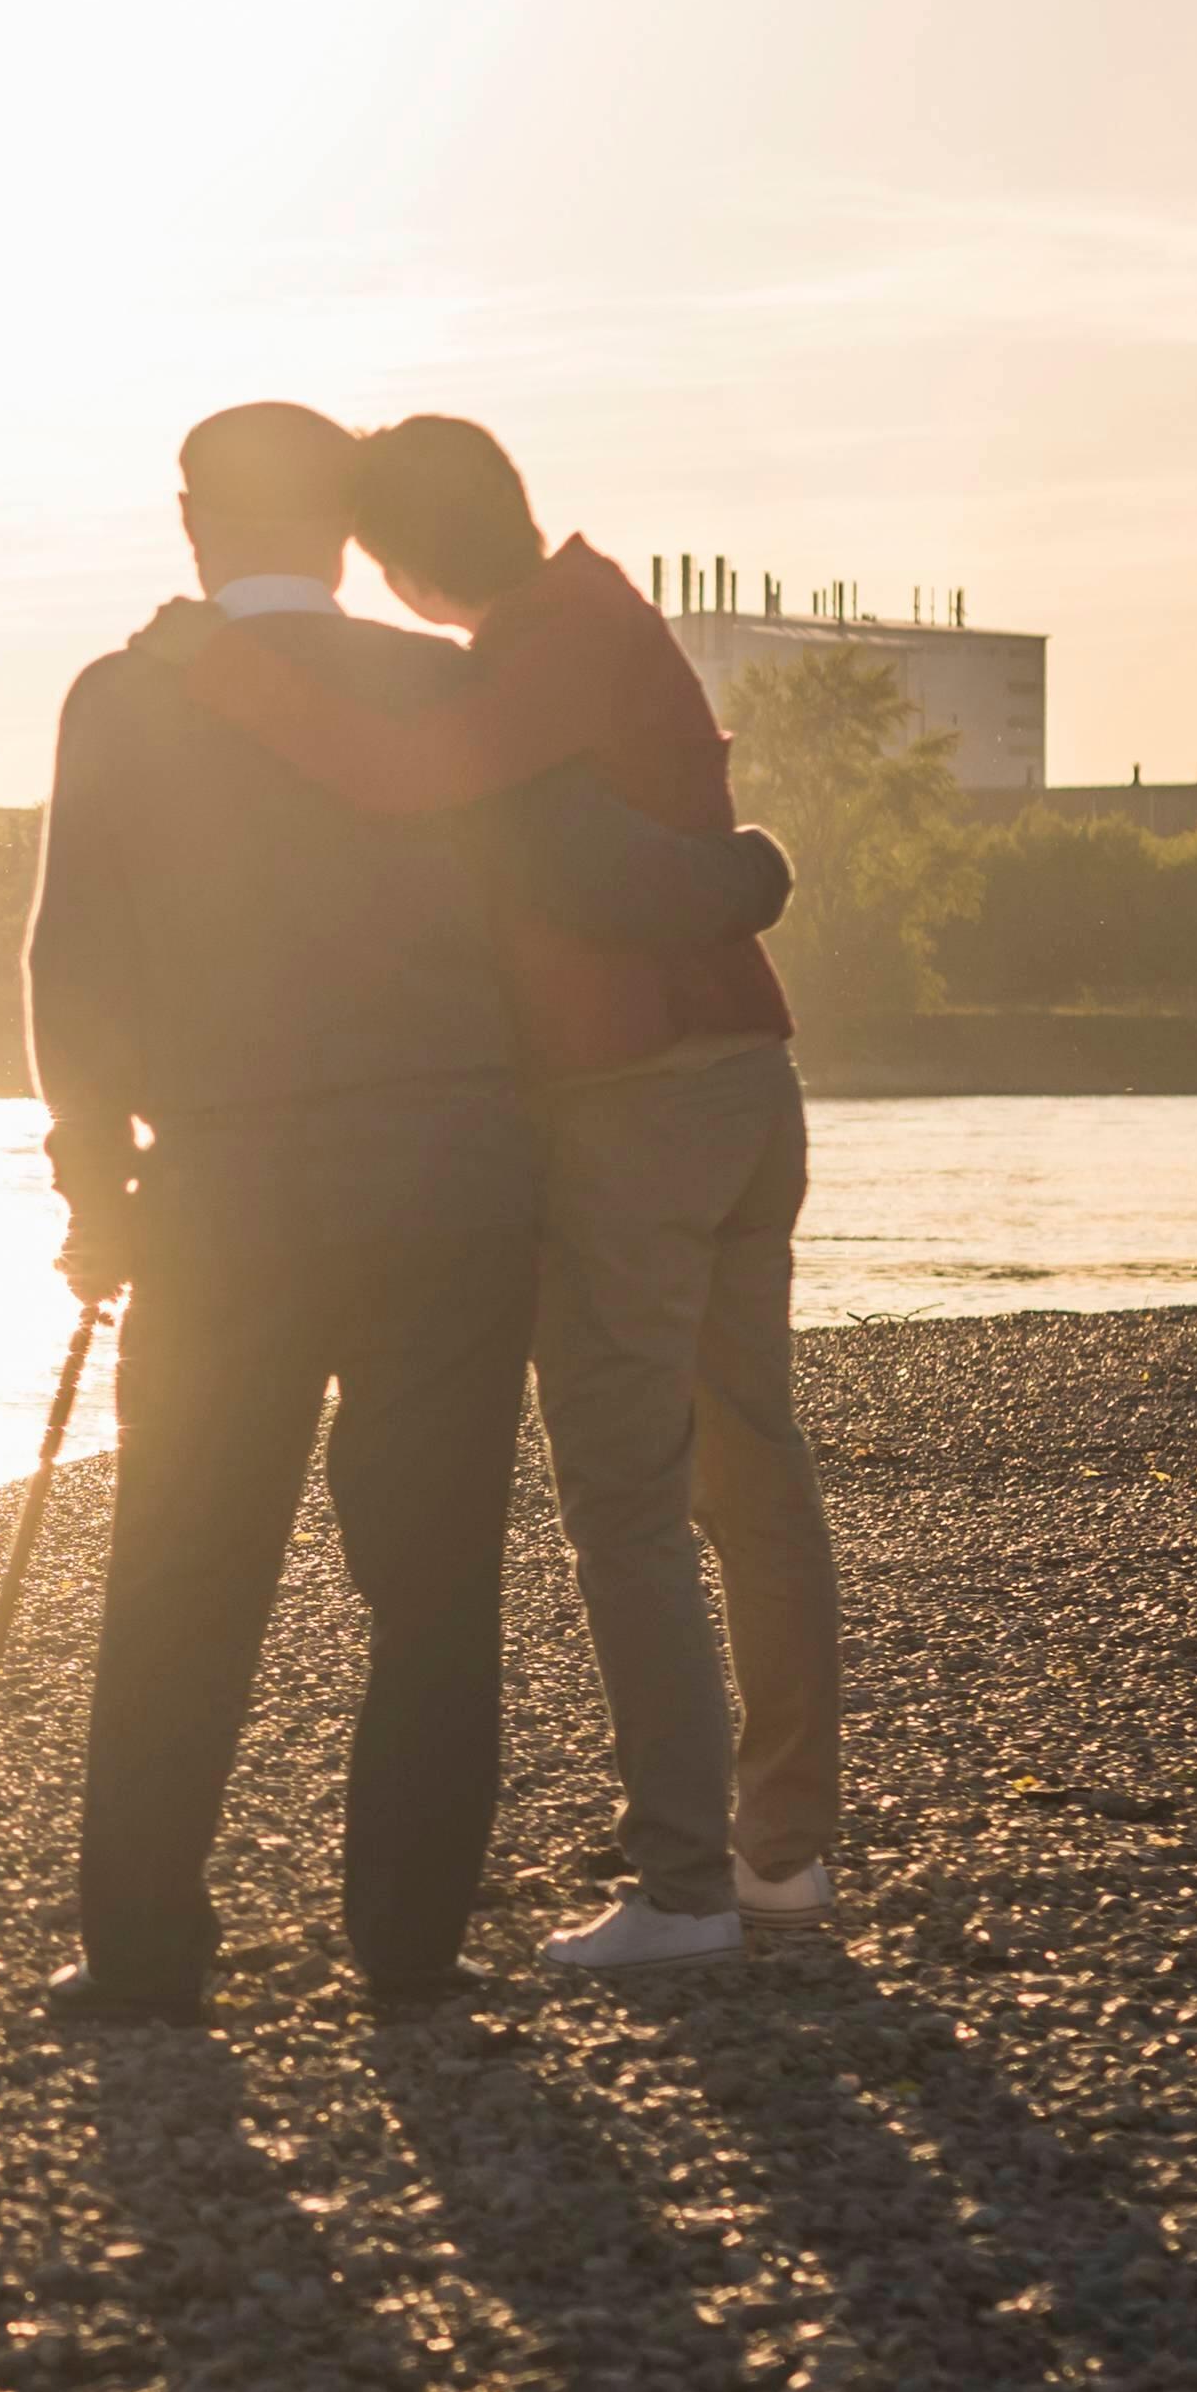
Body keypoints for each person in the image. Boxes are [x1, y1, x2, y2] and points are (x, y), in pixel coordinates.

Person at [159, 414, 843, 1975]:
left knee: (627, 1497)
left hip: (636, 1099)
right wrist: (749, 870)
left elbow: (408, 777)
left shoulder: (541, 645)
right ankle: (782, 1852)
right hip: (744, 1084)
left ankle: (685, 1887)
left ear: (399, 566)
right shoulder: (603, 612)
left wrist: (229, 668)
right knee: (749, 1469)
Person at [19, 401, 550, 2029]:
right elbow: (531, 923)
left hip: (228, 1184)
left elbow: (69, 960)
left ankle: (144, 1950)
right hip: (451, 1170)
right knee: (436, 1577)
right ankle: (407, 1947)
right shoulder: (440, 685)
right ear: (341, 531)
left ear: (191, 522)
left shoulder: (123, 698)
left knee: (183, 1566)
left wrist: (90, 1178)